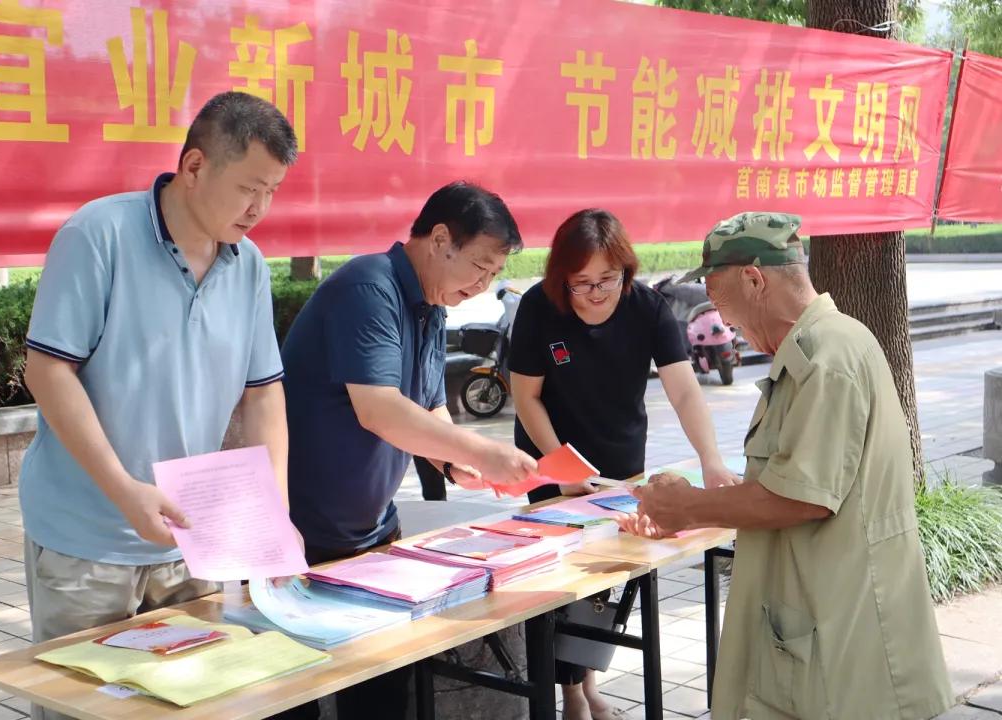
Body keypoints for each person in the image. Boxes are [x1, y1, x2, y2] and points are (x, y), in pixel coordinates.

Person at [18, 92, 297, 720]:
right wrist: (123, 489)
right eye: (251, 187)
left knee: (194, 705)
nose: (260, 209)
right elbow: (47, 369)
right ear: (194, 166)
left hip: (192, 540)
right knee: (83, 709)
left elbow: (265, 390)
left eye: (274, 191)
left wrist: (273, 513)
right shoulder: (99, 235)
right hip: (86, 539)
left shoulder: (247, 265)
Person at [620, 212, 953, 720]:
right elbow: (788, 481)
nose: (723, 320)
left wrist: (688, 506)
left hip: (842, 628)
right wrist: (688, 506)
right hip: (816, 610)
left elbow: (801, 497)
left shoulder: (826, 356)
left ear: (755, 280)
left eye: (721, 299)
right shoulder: (813, 349)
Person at [279, 181, 538, 720]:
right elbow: (379, 409)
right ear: (440, 239)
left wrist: (455, 460)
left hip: (372, 535)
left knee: (383, 696)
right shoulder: (367, 288)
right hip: (300, 539)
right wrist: (488, 453)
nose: (485, 284)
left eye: (494, 274)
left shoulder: (432, 302)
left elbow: (428, 405)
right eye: (480, 266)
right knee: (294, 695)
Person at [508, 208, 738, 720]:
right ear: (561, 278)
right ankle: (569, 693)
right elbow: (526, 398)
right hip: (553, 458)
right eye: (581, 283)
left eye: (606, 281)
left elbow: (682, 388)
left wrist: (711, 459)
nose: (595, 294)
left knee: (606, 575)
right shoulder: (538, 308)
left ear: (626, 272)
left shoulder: (649, 309)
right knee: (559, 578)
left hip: (618, 458)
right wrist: (561, 470)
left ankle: (586, 681)